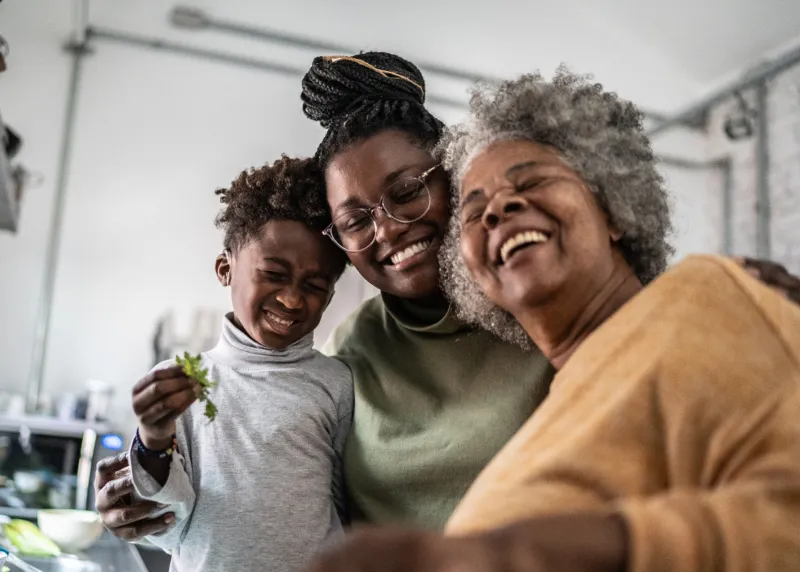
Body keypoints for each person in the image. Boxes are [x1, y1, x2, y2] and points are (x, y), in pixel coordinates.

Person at [95, 51, 800, 542]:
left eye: (408, 192)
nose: (390, 230)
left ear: (453, 176)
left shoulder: (551, 312)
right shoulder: (347, 359)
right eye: (354, 222)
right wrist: (156, 494)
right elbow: (279, 505)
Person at [281, 68, 800, 572]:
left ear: (612, 205)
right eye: (478, 211)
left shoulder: (692, 309)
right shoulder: (351, 356)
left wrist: (513, 563)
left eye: (529, 184)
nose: (387, 227)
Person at [125, 156, 353, 572]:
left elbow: (348, 507)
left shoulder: (337, 384)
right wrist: (154, 436)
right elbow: (167, 526)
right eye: (273, 275)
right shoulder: (180, 383)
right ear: (225, 268)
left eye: (314, 286)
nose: (290, 298)